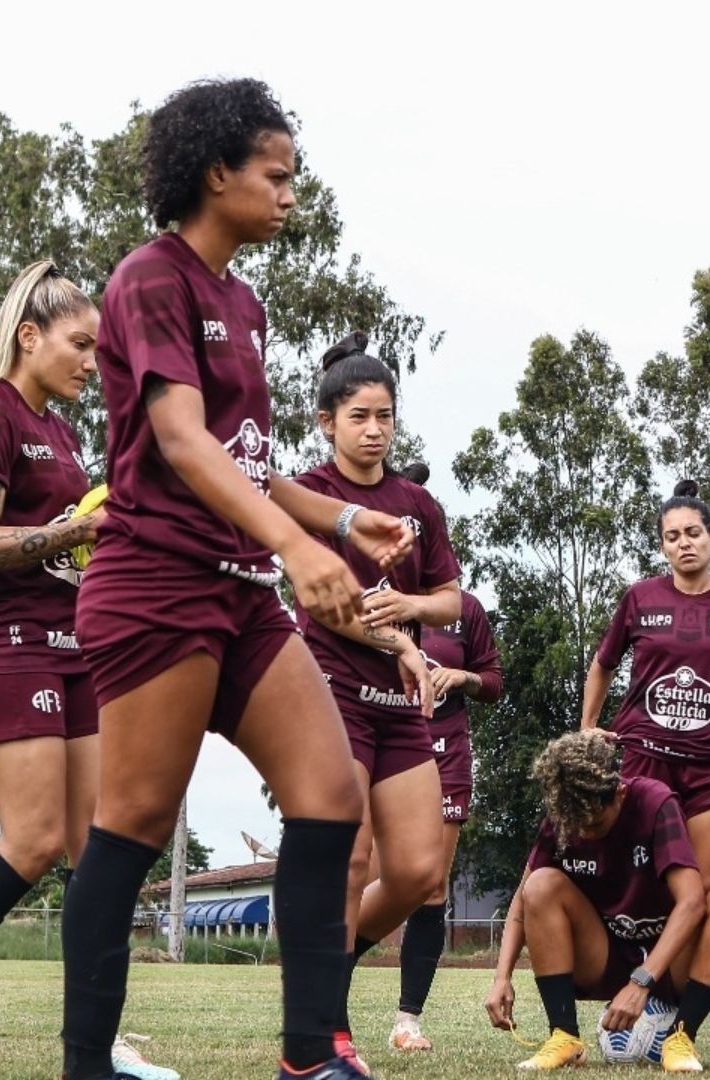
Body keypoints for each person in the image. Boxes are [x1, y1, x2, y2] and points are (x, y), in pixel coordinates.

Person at [57, 78, 415, 1080]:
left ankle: (312, 1058)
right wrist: (300, 554)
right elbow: (178, 441)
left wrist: (339, 519)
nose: (292, 192)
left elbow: (246, 463)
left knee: (331, 792)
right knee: (128, 827)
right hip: (155, 582)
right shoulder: (149, 278)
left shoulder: (244, 300)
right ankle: (86, 1064)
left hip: (238, 591)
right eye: (277, 174)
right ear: (218, 174)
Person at [0, 263, 176, 1080]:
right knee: (36, 838)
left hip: (73, 646)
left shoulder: (64, 430)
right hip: (3, 644)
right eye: (81, 344)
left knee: (96, 846)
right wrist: (73, 531)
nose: (91, 361)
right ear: (31, 337)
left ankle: (96, 1052)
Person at [292, 334, 463, 1068]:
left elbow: (452, 602)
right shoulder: (306, 491)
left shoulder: (417, 502)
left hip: (400, 708)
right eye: (360, 415)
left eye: (386, 415)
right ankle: (328, 1031)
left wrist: (411, 606)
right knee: (351, 857)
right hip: (330, 689)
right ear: (328, 421)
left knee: (422, 870)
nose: (375, 428)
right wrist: (398, 640)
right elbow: (320, 600)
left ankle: (328, 968)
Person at [582, 479, 710, 1054]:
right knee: (653, 887)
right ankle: (654, 997)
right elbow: (602, 665)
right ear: (662, 546)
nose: (684, 544)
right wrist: (588, 727)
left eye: (693, 533)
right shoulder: (640, 597)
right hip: (643, 760)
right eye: (672, 537)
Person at [484, 730, 710, 1074]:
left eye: (595, 824)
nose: (584, 834)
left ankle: (681, 1037)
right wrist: (501, 977)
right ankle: (564, 1035)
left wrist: (642, 981)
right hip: (604, 956)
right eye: (576, 826)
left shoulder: (654, 802)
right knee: (539, 885)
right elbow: (522, 907)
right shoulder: (565, 816)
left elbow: (691, 902)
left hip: (671, 960)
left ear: (620, 793)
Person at [384, 480, 504, 1052]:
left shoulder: (465, 610)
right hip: (378, 746)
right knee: (361, 878)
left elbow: (496, 682)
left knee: (431, 885)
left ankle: (408, 1020)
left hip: (445, 753)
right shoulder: (372, 597)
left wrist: (465, 678)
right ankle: (325, 1016)